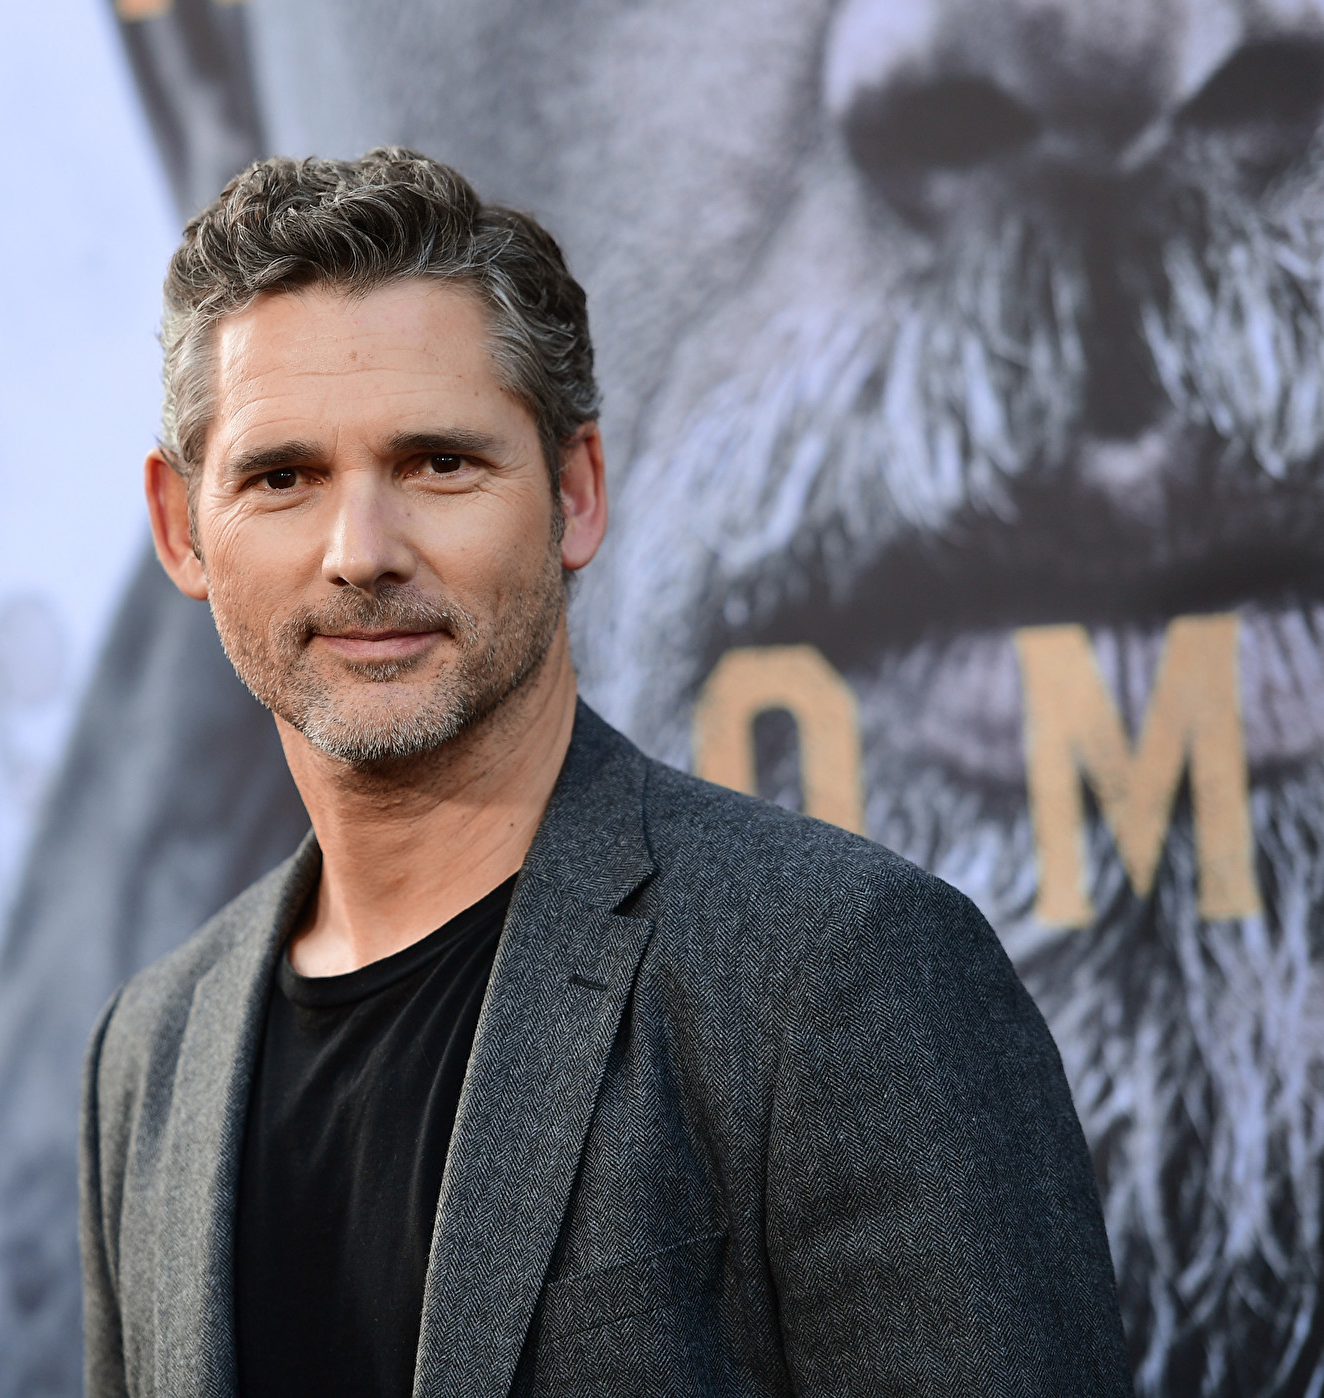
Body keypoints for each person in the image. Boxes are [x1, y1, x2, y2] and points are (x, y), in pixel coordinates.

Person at [80, 147, 1129, 1398]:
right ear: (180, 528)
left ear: (574, 493)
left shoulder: (837, 971)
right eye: (282, 478)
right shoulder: (151, 1051)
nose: (361, 551)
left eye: (437, 463)